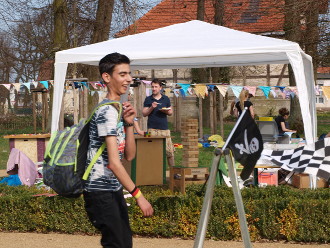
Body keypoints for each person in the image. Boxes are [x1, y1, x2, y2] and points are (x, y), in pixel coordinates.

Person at [83, 53, 153, 248]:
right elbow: (114, 163)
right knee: (117, 244)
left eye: (129, 74)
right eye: (122, 74)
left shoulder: (116, 110)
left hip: (113, 189)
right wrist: (139, 196)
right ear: (107, 77)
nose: (128, 79)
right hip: (99, 191)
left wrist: (129, 124)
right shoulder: (106, 112)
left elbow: (128, 156)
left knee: (123, 243)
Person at [142, 78, 175, 167]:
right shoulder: (148, 99)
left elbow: (170, 112)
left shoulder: (166, 99)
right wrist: (151, 107)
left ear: (160, 88)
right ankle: (153, 173)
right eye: (152, 87)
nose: (154, 89)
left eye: (156, 87)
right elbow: (144, 113)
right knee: (152, 152)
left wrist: (166, 111)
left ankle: (173, 172)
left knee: (170, 153)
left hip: (164, 129)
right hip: (151, 130)